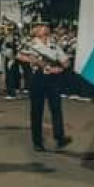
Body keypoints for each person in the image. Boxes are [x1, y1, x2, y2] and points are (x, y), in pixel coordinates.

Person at [19, 16, 72, 152]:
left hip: (53, 78)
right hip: (37, 78)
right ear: (36, 30)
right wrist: (34, 60)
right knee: (37, 110)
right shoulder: (30, 44)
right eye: (40, 26)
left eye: (45, 25)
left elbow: (65, 61)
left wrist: (61, 67)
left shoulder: (53, 44)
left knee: (56, 107)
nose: (44, 28)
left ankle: (59, 137)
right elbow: (19, 55)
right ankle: (37, 141)